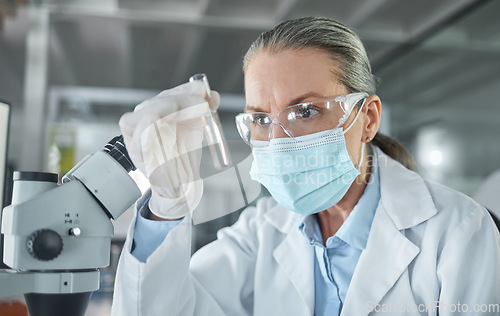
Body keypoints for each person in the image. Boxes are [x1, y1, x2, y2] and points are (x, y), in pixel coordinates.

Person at [112, 17, 500, 315]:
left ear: (367, 119)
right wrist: (165, 208)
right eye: (261, 119)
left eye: (306, 111)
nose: (278, 142)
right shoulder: (262, 230)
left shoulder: (459, 231)